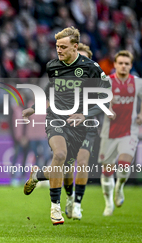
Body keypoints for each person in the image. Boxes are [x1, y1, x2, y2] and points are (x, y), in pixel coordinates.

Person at [22, 27, 111, 225]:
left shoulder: (91, 68)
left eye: (63, 47)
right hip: (56, 119)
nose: (59, 51)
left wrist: (84, 114)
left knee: (64, 165)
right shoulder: (53, 66)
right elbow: (50, 92)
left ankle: (37, 175)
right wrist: (33, 108)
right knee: (60, 156)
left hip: (79, 125)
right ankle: (55, 208)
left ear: (75, 47)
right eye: (57, 47)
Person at [99, 50, 142, 216]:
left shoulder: (137, 83)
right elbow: (99, 101)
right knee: (107, 170)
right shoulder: (107, 82)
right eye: (120, 63)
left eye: (126, 63)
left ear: (130, 66)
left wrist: (140, 114)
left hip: (129, 131)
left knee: (124, 166)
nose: (123, 66)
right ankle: (108, 203)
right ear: (115, 65)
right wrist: (107, 109)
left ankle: (119, 187)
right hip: (109, 132)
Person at [63, 43, 97, 220]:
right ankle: (69, 197)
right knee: (67, 166)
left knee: (82, 162)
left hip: (89, 126)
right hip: (68, 127)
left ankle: (77, 204)